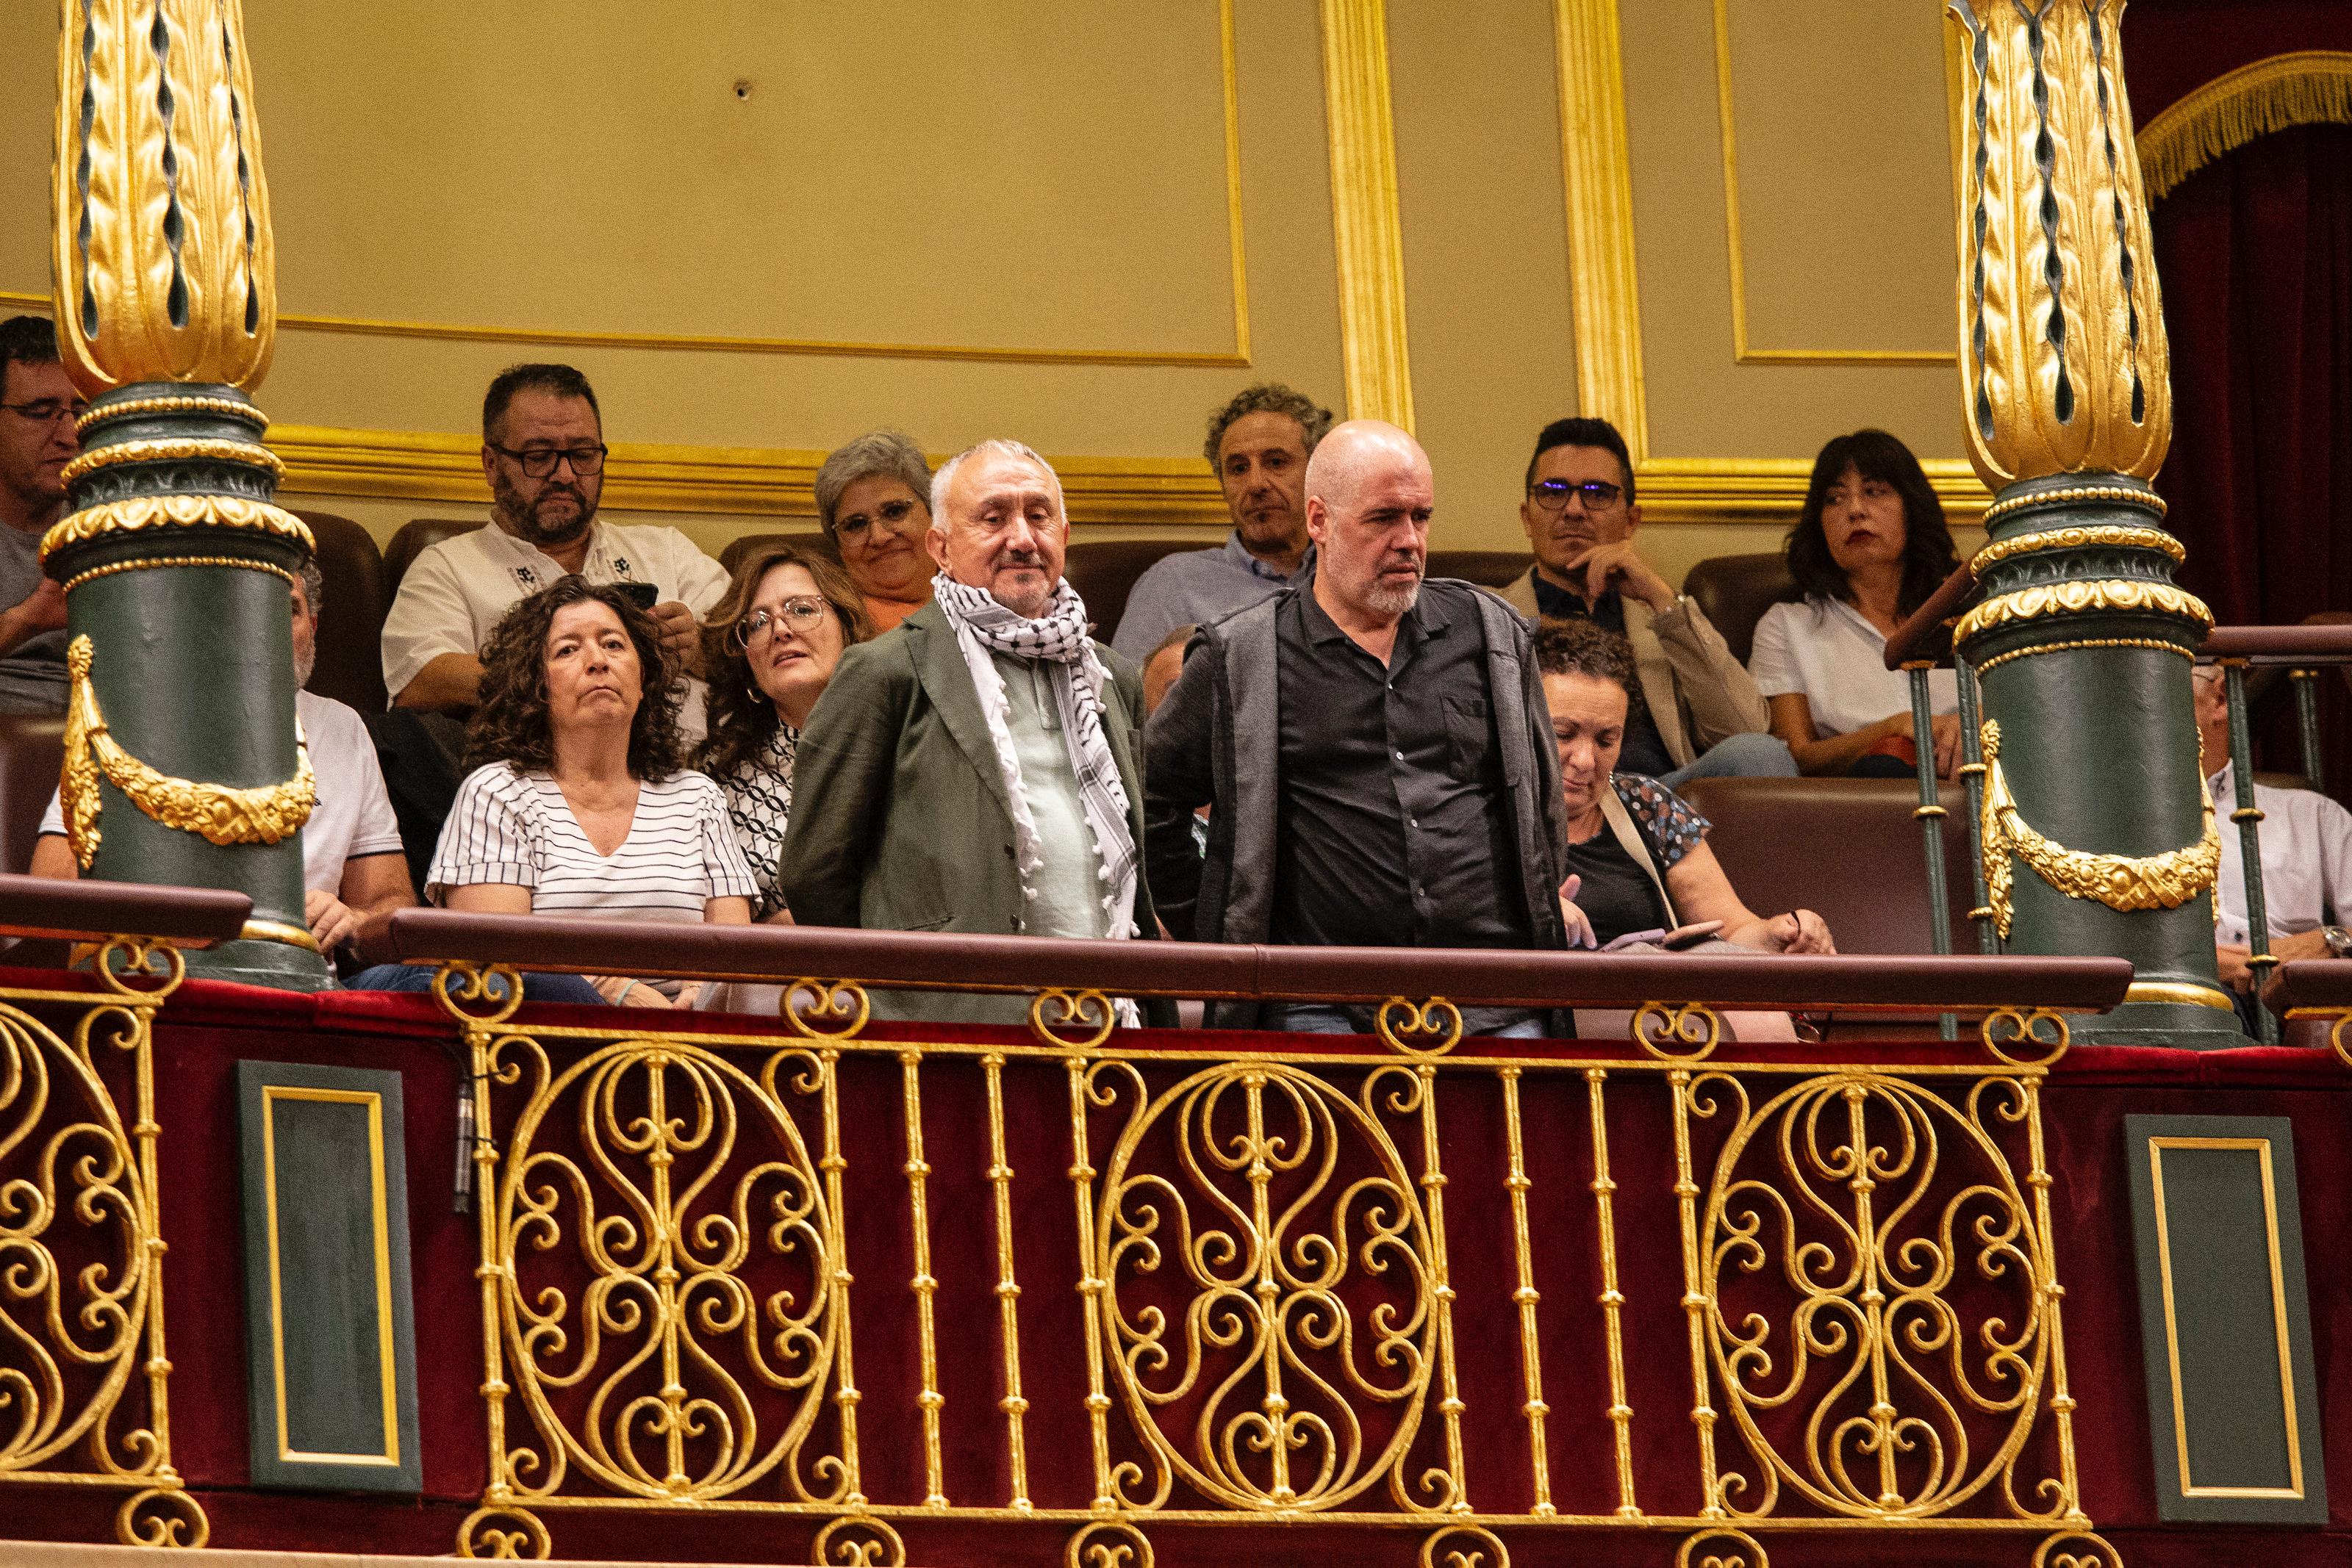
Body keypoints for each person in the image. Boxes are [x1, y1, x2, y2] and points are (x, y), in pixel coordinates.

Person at [1144, 420, 1576, 1036]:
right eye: (1383, 519)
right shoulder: (1241, 655)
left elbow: (1540, 798)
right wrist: (1209, 927)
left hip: (1494, 999)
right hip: (1319, 1005)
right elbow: (1152, 798)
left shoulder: (1491, 633)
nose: (1409, 541)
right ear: (1319, 521)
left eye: (1421, 517)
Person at [778, 439, 1158, 1023]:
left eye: (1039, 515)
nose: (1022, 538)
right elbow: (815, 873)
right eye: (993, 518)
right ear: (942, 548)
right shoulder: (884, 672)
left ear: (1065, 533)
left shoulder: (1112, 676)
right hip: (945, 1021)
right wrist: (897, 997)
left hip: (1109, 1014)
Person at [373, 578, 756, 1008]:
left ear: (643, 674)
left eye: (614, 645)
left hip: (694, 1042)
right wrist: (617, 993)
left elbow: (733, 953)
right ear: (535, 687)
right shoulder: (498, 792)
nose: (597, 661)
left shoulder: (697, 796)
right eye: (567, 650)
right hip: (537, 1039)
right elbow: (496, 953)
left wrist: (698, 1001)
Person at [32, 563, 417, 964]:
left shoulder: (343, 727)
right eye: (247, 605)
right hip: (151, 970)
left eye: (287, 610)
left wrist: (351, 920)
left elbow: (389, 903)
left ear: (313, 626)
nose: (264, 626)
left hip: (304, 977)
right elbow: (52, 888)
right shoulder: (128, 718)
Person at [380, 363, 729, 722]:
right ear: (491, 465)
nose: (565, 475)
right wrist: (556, 665)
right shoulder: (447, 567)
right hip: (529, 773)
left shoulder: (667, 552)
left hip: (696, 770)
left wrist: (698, 649)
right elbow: (420, 680)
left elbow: (762, 646)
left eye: (582, 455)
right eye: (539, 457)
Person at [1500, 417, 1790, 786]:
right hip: (1556, 799)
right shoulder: (1491, 619)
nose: (1573, 509)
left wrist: (1663, 601)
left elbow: (1746, 729)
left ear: (1630, 520)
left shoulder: (1662, 618)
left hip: (1666, 804)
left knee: (1760, 754)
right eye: (1554, 491)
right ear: (1527, 518)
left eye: (1598, 493)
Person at [1537, 618, 1833, 954]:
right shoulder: (1474, 807)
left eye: (1606, 741)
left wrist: (1780, 934)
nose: (1586, 760)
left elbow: (1733, 928)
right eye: (1562, 734)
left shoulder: (1647, 802)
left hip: (1651, 999)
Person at [1749, 429, 1962, 777]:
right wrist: (1895, 728)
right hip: (1862, 799)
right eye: (1834, 499)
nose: (1855, 511)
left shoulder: (1966, 608)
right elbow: (1794, 759)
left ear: (1911, 508)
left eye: (1874, 492)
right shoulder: (1787, 626)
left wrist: (1971, 722)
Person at [697, 540, 876, 922]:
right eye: (757, 623)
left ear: (848, 627)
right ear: (747, 663)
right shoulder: (714, 779)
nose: (780, 629)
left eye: (802, 610)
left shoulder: (906, 745)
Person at [1111, 384, 1330, 663]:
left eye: (1275, 462)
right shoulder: (1173, 584)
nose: (1256, 484)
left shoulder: (1351, 574)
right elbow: (1128, 701)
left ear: (1317, 473)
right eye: (1239, 468)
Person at [2192, 664, 2352, 1012]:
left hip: (2290, 1007)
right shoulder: (2096, 820)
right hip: (2169, 1002)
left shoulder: (2311, 813)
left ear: (2219, 698)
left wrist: (2330, 940)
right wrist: (2203, 962)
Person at [0, 316, 81, 714]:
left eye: (76, 412)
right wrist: (28, 619)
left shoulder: (108, 524)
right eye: (40, 412)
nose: (69, 437)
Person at [813, 430, 935, 632]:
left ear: (933, 514)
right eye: (856, 525)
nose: (879, 537)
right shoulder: (837, 630)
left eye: (895, 511)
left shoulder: (984, 592)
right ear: (839, 547)